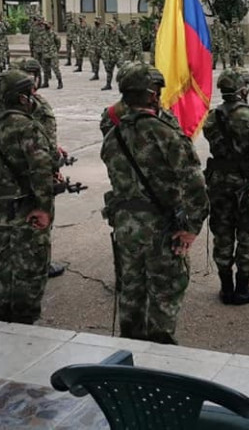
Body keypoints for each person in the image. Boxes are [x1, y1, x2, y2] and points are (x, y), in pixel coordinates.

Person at [100, 63, 209, 344]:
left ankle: (130, 348)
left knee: (131, 290)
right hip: (161, 228)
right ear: (151, 95)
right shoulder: (165, 133)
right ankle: (160, 354)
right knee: (165, 290)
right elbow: (194, 184)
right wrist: (193, 227)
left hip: (125, 226)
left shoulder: (113, 135)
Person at [0, 70, 56, 324]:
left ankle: (2, 314)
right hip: (25, 209)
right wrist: (44, 207)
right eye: (30, 94)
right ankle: (24, 323)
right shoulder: (28, 127)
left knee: (4, 265)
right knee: (30, 269)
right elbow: (41, 169)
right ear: (21, 99)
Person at [203, 69, 249, 306]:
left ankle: (226, 288)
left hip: (218, 184)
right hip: (247, 185)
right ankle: (242, 288)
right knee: (248, 234)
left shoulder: (212, 117)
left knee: (222, 234)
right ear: (243, 89)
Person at [13, 58, 68, 277]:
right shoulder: (38, 105)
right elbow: (45, 144)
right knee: (40, 215)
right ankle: (39, 264)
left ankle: (17, 258)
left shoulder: (8, 104)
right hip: (35, 171)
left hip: (11, 172)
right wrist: (54, 165)